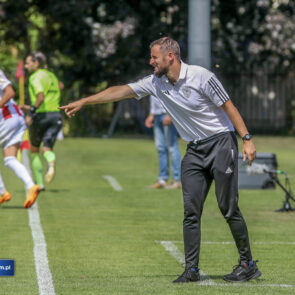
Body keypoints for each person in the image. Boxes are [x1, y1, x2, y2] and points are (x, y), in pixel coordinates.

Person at [60, 37, 261, 283]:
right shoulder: (156, 82)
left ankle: (247, 264)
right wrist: (85, 101)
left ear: (170, 57)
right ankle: (191, 270)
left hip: (221, 143)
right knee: (190, 211)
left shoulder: (202, 76)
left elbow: (229, 107)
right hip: (194, 151)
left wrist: (247, 139)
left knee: (227, 208)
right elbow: (122, 90)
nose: (150, 61)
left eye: (154, 57)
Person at [21, 52, 62, 190]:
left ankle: (39, 184)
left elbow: (40, 97)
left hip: (41, 117)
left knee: (34, 150)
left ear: (36, 63)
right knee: (47, 149)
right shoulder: (52, 76)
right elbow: (55, 92)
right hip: (55, 116)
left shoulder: (35, 77)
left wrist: (30, 112)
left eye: (28, 63)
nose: (26, 66)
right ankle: (51, 163)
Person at [0, 69, 41, 208]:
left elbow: (10, 92)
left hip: (5, 119)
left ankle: (1, 192)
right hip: (15, 118)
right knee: (10, 159)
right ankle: (31, 186)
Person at [145, 94, 181, 189]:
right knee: (161, 148)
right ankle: (162, 180)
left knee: (172, 147)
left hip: (168, 114)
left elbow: (175, 95)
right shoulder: (153, 79)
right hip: (157, 115)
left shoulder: (167, 78)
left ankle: (176, 180)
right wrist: (152, 114)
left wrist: (170, 114)